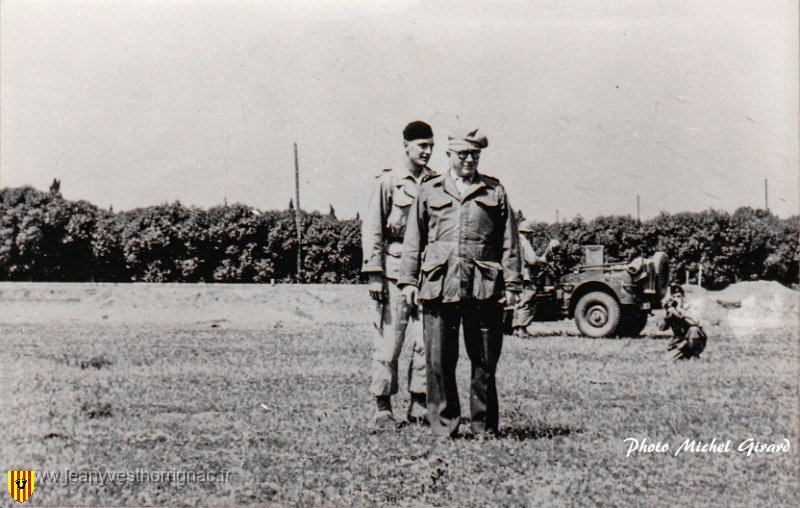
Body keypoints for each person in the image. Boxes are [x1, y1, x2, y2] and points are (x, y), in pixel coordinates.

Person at [398, 128, 522, 437]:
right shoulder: (430, 190)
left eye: (474, 155)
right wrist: (409, 282)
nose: (468, 159)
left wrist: (514, 285)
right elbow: (414, 239)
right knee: (439, 361)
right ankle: (443, 426)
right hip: (439, 288)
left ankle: (484, 427)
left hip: (484, 289)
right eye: (463, 154)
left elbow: (510, 242)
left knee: (484, 361)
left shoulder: (494, 191)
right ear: (449, 155)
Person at [361, 120, 436, 430]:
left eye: (431, 146)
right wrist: (374, 273)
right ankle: (383, 407)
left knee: (424, 341)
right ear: (406, 146)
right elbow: (374, 227)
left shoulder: (436, 182)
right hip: (392, 273)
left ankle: (419, 405)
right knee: (390, 341)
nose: (428, 152)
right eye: (422, 146)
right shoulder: (388, 182)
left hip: (426, 275)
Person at [657, 283, 708, 360]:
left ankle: (695, 355)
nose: (676, 298)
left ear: (683, 297)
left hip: (695, 339)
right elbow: (661, 328)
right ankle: (685, 354)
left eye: (678, 296)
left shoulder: (690, 307)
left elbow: (695, 322)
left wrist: (681, 312)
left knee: (693, 329)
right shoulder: (672, 310)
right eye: (673, 296)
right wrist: (667, 314)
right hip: (680, 342)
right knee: (667, 359)